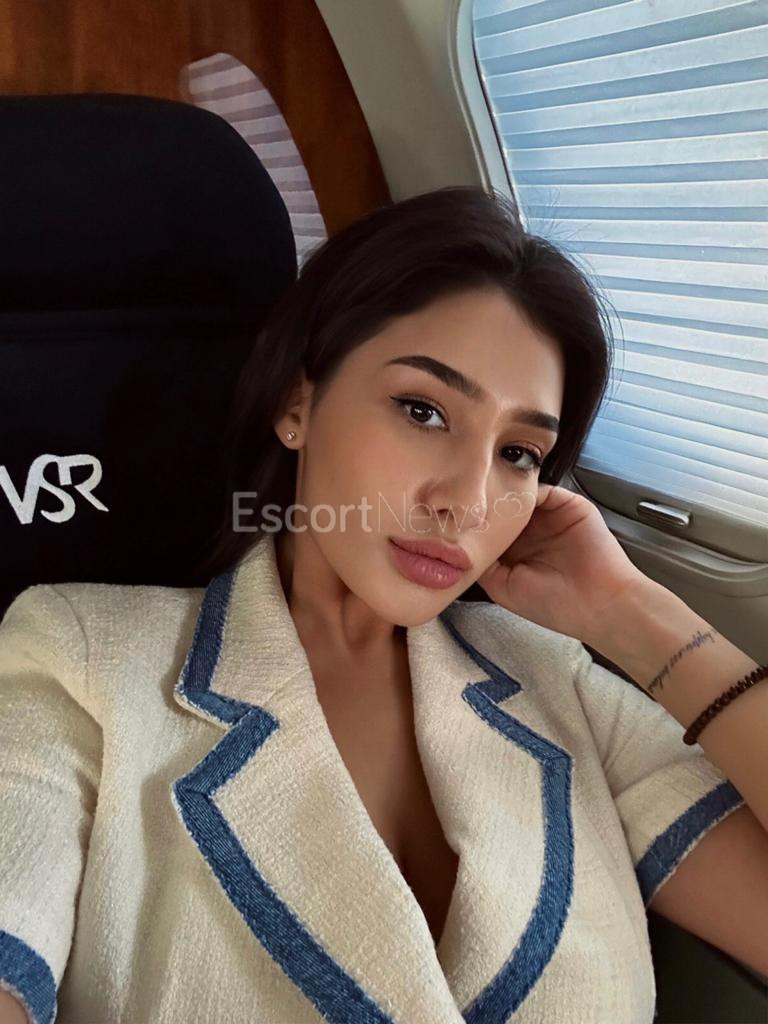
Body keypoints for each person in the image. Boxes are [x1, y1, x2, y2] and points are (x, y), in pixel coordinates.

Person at [0, 187, 758, 1024]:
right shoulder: (79, 658)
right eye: (423, 410)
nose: (467, 501)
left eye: (518, 453)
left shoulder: (555, 679)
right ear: (297, 404)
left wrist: (635, 616)